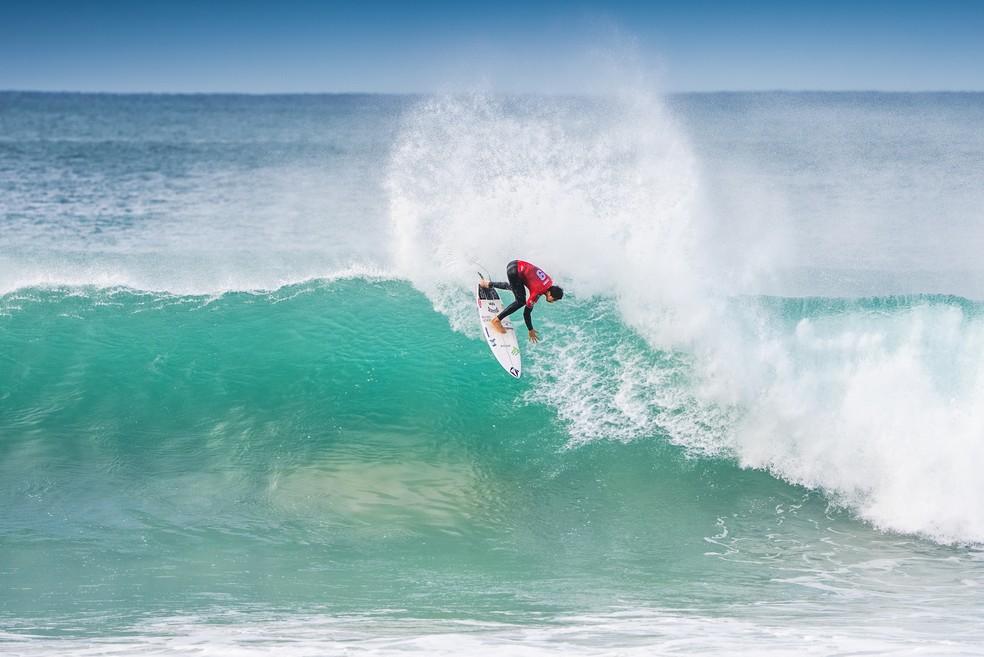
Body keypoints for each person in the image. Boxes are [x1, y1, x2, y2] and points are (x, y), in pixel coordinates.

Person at [480, 260, 563, 343]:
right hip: (515, 272)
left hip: (515, 264)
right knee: (521, 301)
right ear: (549, 293)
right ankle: (496, 320)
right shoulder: (537, 293)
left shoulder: (549, 281)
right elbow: (526, 313)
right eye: (554, 299)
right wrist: (530, 329)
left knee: (515, 288)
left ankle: (487, 284)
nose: (553, 301)